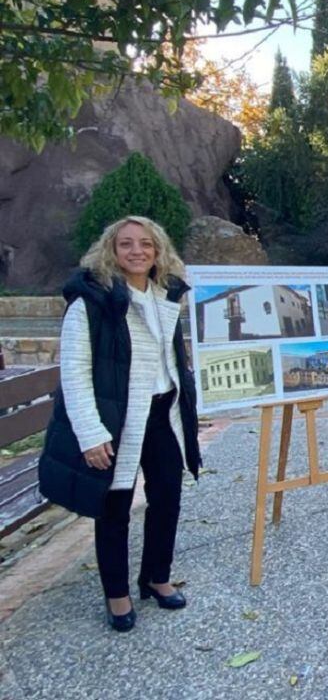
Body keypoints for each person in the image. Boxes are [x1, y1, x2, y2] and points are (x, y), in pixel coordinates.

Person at [39, 216, 201, 632]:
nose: (137, 251)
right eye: (126, 244)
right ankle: (117, 594)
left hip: (162, 412)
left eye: (146, 244)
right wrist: (91, 433)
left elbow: (172, 358)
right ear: (111, 250)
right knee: (113, 507)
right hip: (118, 419)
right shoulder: (90, 301)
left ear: (158, 250)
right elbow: (74, 373)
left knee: (167, 498)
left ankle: (157, 578)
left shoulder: (167, 293)